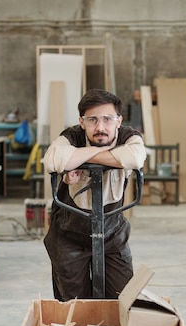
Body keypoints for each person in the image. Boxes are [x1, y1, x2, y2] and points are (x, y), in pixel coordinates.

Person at [42, 89, 147, 301]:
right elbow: (53, 161)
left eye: (107, 119)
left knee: (123, 301)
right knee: (74, 307)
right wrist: (107, 153)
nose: (100, 127)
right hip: (68, 236)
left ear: (119, 120)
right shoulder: (71, 136)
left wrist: (78, 159)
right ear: (82, 122)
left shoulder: (128, 136)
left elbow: (135, 158)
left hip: (112, 235)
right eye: (92, 120)